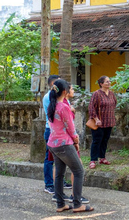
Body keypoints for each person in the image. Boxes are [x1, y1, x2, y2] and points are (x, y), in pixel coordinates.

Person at [47, 79, 94, 213]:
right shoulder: (63, 107)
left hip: (53, 143)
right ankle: (77, 203)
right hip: (64, 144)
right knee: (79, 171)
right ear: (64, 92)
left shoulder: (52, 105)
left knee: (59, 174)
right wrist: (76, 141)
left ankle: (61, 204)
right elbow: (71, 128)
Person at [43, 75, 72, 194]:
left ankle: (59, 181)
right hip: (52, 130)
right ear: (54, 84)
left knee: (60, 160)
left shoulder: (61, 97)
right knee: (49, 159)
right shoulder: (49, 97)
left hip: (61, 131)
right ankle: (49, 184)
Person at [88, 76, 117, 169]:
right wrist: (96, 119)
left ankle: (102, 157)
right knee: (97, 140)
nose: (109, 83)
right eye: (106, 82)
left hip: (109, 120)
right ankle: (93, 160)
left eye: (109, 81)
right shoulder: (96, 94)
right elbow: (91, 107)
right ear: (101, 84)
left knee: (105, 140)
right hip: (99, 122)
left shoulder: (111, 94)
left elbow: (114, 104)